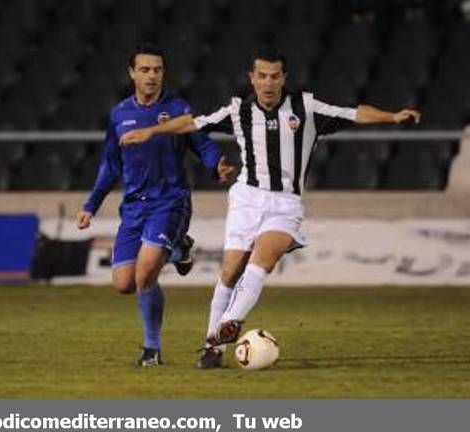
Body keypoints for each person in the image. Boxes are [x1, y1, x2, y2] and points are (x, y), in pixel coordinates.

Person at [120, 47, 421, 368]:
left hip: (285, 204)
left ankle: (230, 323)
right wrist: (152, 130)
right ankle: (213, 349)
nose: (268, 83)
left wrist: (392, 116)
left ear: (283, 79)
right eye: (261, 76)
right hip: (247, 200)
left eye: (274, 76)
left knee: (263, 259)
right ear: (252, 79)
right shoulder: (238, 111)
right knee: (230, 271)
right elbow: (192, 124)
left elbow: (354, 112)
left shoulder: (306, 108)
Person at [75, 43, 236, 367]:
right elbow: (110, 166)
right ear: (132, 73)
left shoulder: (177, 109)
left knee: (145, 273)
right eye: (145, 70)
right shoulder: (119, 115)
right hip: (134, 207)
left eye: (158, 70)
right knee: (123, 284)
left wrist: (216, 163)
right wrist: (91, 205)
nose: (152, 76)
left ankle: (152, 350)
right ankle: (180, 250)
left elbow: (201, 143)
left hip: (170, 202)